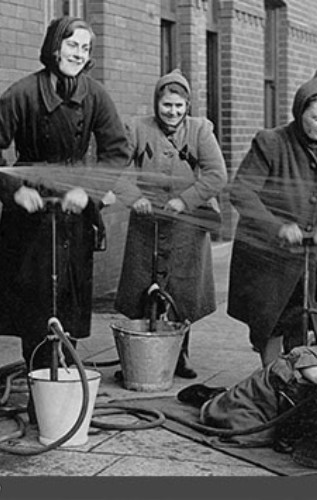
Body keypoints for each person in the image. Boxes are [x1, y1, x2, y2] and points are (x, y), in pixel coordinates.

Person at [0, 16, 129, 415]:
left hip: (73, 216)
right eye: (72, 46)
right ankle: (43, 396)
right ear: (55, 46)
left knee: (67, 301)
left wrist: (86, 189)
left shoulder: (95, 96)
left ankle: (62, 385)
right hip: (29, 218)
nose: (79, 55)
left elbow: (117, 152)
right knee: (34, 306)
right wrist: (14, 189)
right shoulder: (20, 94)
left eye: (86, 49)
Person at [227, 70, 317, 367]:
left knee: (309, 323)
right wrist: (277, 228)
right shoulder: (271, 143)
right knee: (270, 322)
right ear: (300, 111)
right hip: (267, 253)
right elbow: (241, 192)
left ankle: (300, 379)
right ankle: (271, 380)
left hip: (311, 255)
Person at [113, 69, 227, 379]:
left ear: (187, 106)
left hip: (186, 224)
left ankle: (180, 353)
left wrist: (186, 200)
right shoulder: (137, 129)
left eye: (179, 106)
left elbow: (216, 174)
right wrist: (134, 196)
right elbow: (117, 168)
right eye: (167, 105)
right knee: (141, 283)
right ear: (156, 104)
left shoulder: (201, 131)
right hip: (147, 221)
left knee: (183, 288)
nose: (173, 112)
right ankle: (138, 353)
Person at [178, 313, 317, 448]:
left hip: (295, 408)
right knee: (250, 437)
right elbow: (298, 355)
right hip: (270, 391)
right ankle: (213, 399)